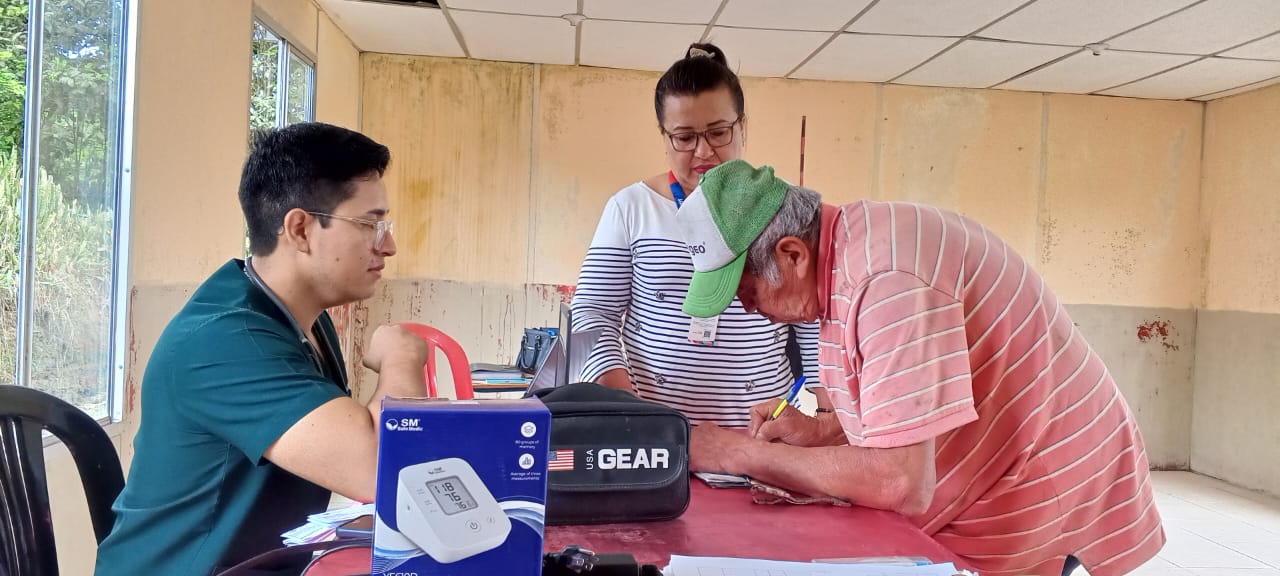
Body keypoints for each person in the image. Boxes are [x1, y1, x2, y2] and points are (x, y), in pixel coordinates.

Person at [674, 159, 1164, 576]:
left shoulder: (887, 279)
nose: (749, 309)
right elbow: (902, 406)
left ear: (793, 255)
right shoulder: (846, 254)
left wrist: (739, 454)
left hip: (1047, 473)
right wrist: (822, 430)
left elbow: (900, 482)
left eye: (748, 291)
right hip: (997, 460)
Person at [95, 123, 432, 576]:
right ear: (300, 229)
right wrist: (401, 358)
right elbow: (381, 469)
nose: (387, 245)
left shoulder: (303, 320)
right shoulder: (227, 339)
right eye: (370, 224)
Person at [570, 43, 818, 428]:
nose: (703, 151)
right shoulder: (631, 208)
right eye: (684, 137)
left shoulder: (782, 206)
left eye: (718, 132)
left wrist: (818, 411)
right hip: (654, 435)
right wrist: (621, 401)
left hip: (764, 436)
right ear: (664, 135)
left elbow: (815, 324)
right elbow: (591, 312)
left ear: (742, 126)